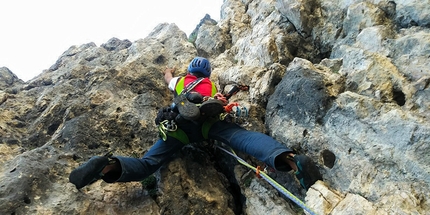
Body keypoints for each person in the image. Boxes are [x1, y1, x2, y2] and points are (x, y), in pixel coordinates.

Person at [69, 57, 322, 191]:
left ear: (189, 70)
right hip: (207, 124)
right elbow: (222, 102)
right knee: (240, 137)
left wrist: (168, 71)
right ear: (208, 73)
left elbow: (167, 77)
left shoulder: (180, 81)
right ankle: (289, 159)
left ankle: (108, 166)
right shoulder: (211, 85)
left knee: (148, 164)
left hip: (176, 128)